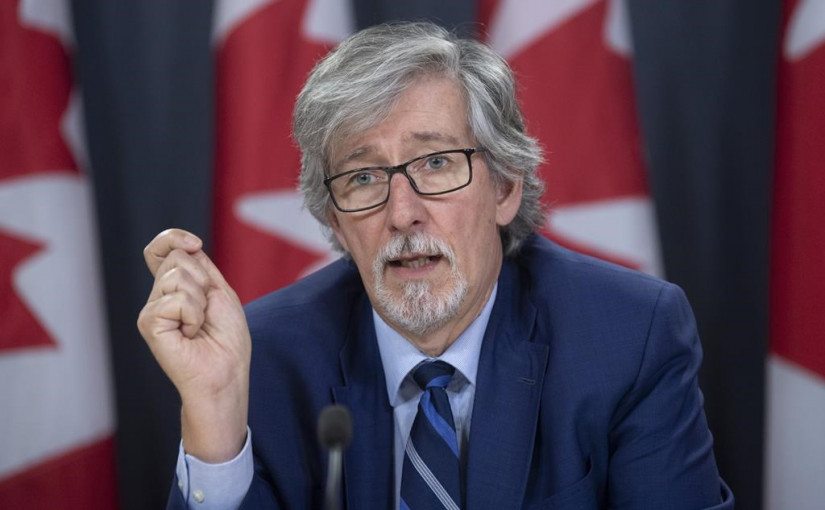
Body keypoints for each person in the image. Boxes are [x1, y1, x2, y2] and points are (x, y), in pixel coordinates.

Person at [138, 22, 734, 510]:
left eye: (437, 163)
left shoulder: (627, 335)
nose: (402, 213)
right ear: (336, 222)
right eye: (363, 177)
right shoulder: (265, 355)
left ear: (504, 188)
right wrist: (216, 418)